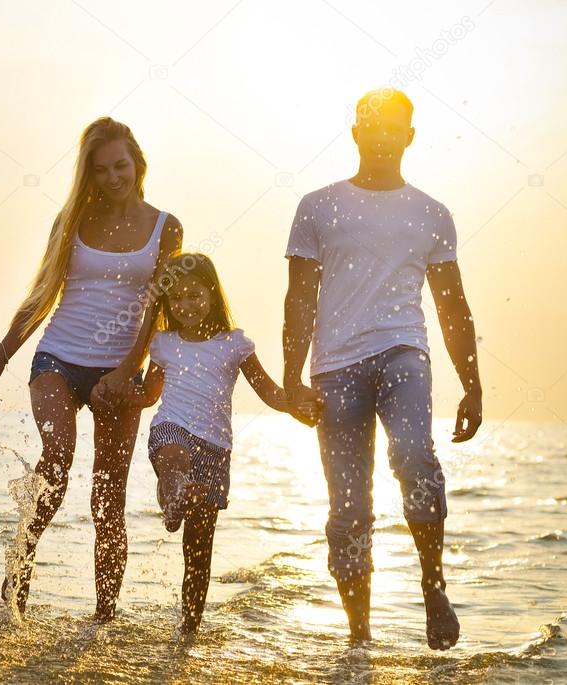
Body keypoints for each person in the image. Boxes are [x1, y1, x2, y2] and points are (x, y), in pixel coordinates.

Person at [282, 88, 482, 649]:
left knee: (415, 457)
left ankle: (433, 584)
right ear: (354, 132)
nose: (382, 135)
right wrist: (292, 378)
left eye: (394, 127)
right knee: (348, 509)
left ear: (410, 136)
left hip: (403, 354)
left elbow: (452, 304)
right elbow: (299, 297)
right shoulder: (317, 206)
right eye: (371, 125)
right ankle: (360, 639)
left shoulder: (431, 213)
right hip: (336, 368)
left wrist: (473, 385)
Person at [0, 117, 182, 621]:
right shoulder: (72, 222)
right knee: (58, 458)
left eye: (121, 166)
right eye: (102, 169)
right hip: (58, 359)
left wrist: (136, 371)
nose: (113, 178)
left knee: (108, 497)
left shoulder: (165, 226)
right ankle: (18, 568)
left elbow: (160, 308)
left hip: (121, 370)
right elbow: (42, 297)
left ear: (137, 163)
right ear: (88, 174)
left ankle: (103, 618)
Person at [132, 252, 317, 634]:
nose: (186, 305)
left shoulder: (234, 344)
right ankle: (174, 501)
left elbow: (270, 393)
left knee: (197, 551)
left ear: (213, 294)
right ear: (168, 303)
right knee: (173, 458)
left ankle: (189, 629)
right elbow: (150, 395)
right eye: (178, 298)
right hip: (173, 426)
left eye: (195, 295)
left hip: (215, 450)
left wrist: (299, 406)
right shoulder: (164, 344)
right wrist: (118, 392)